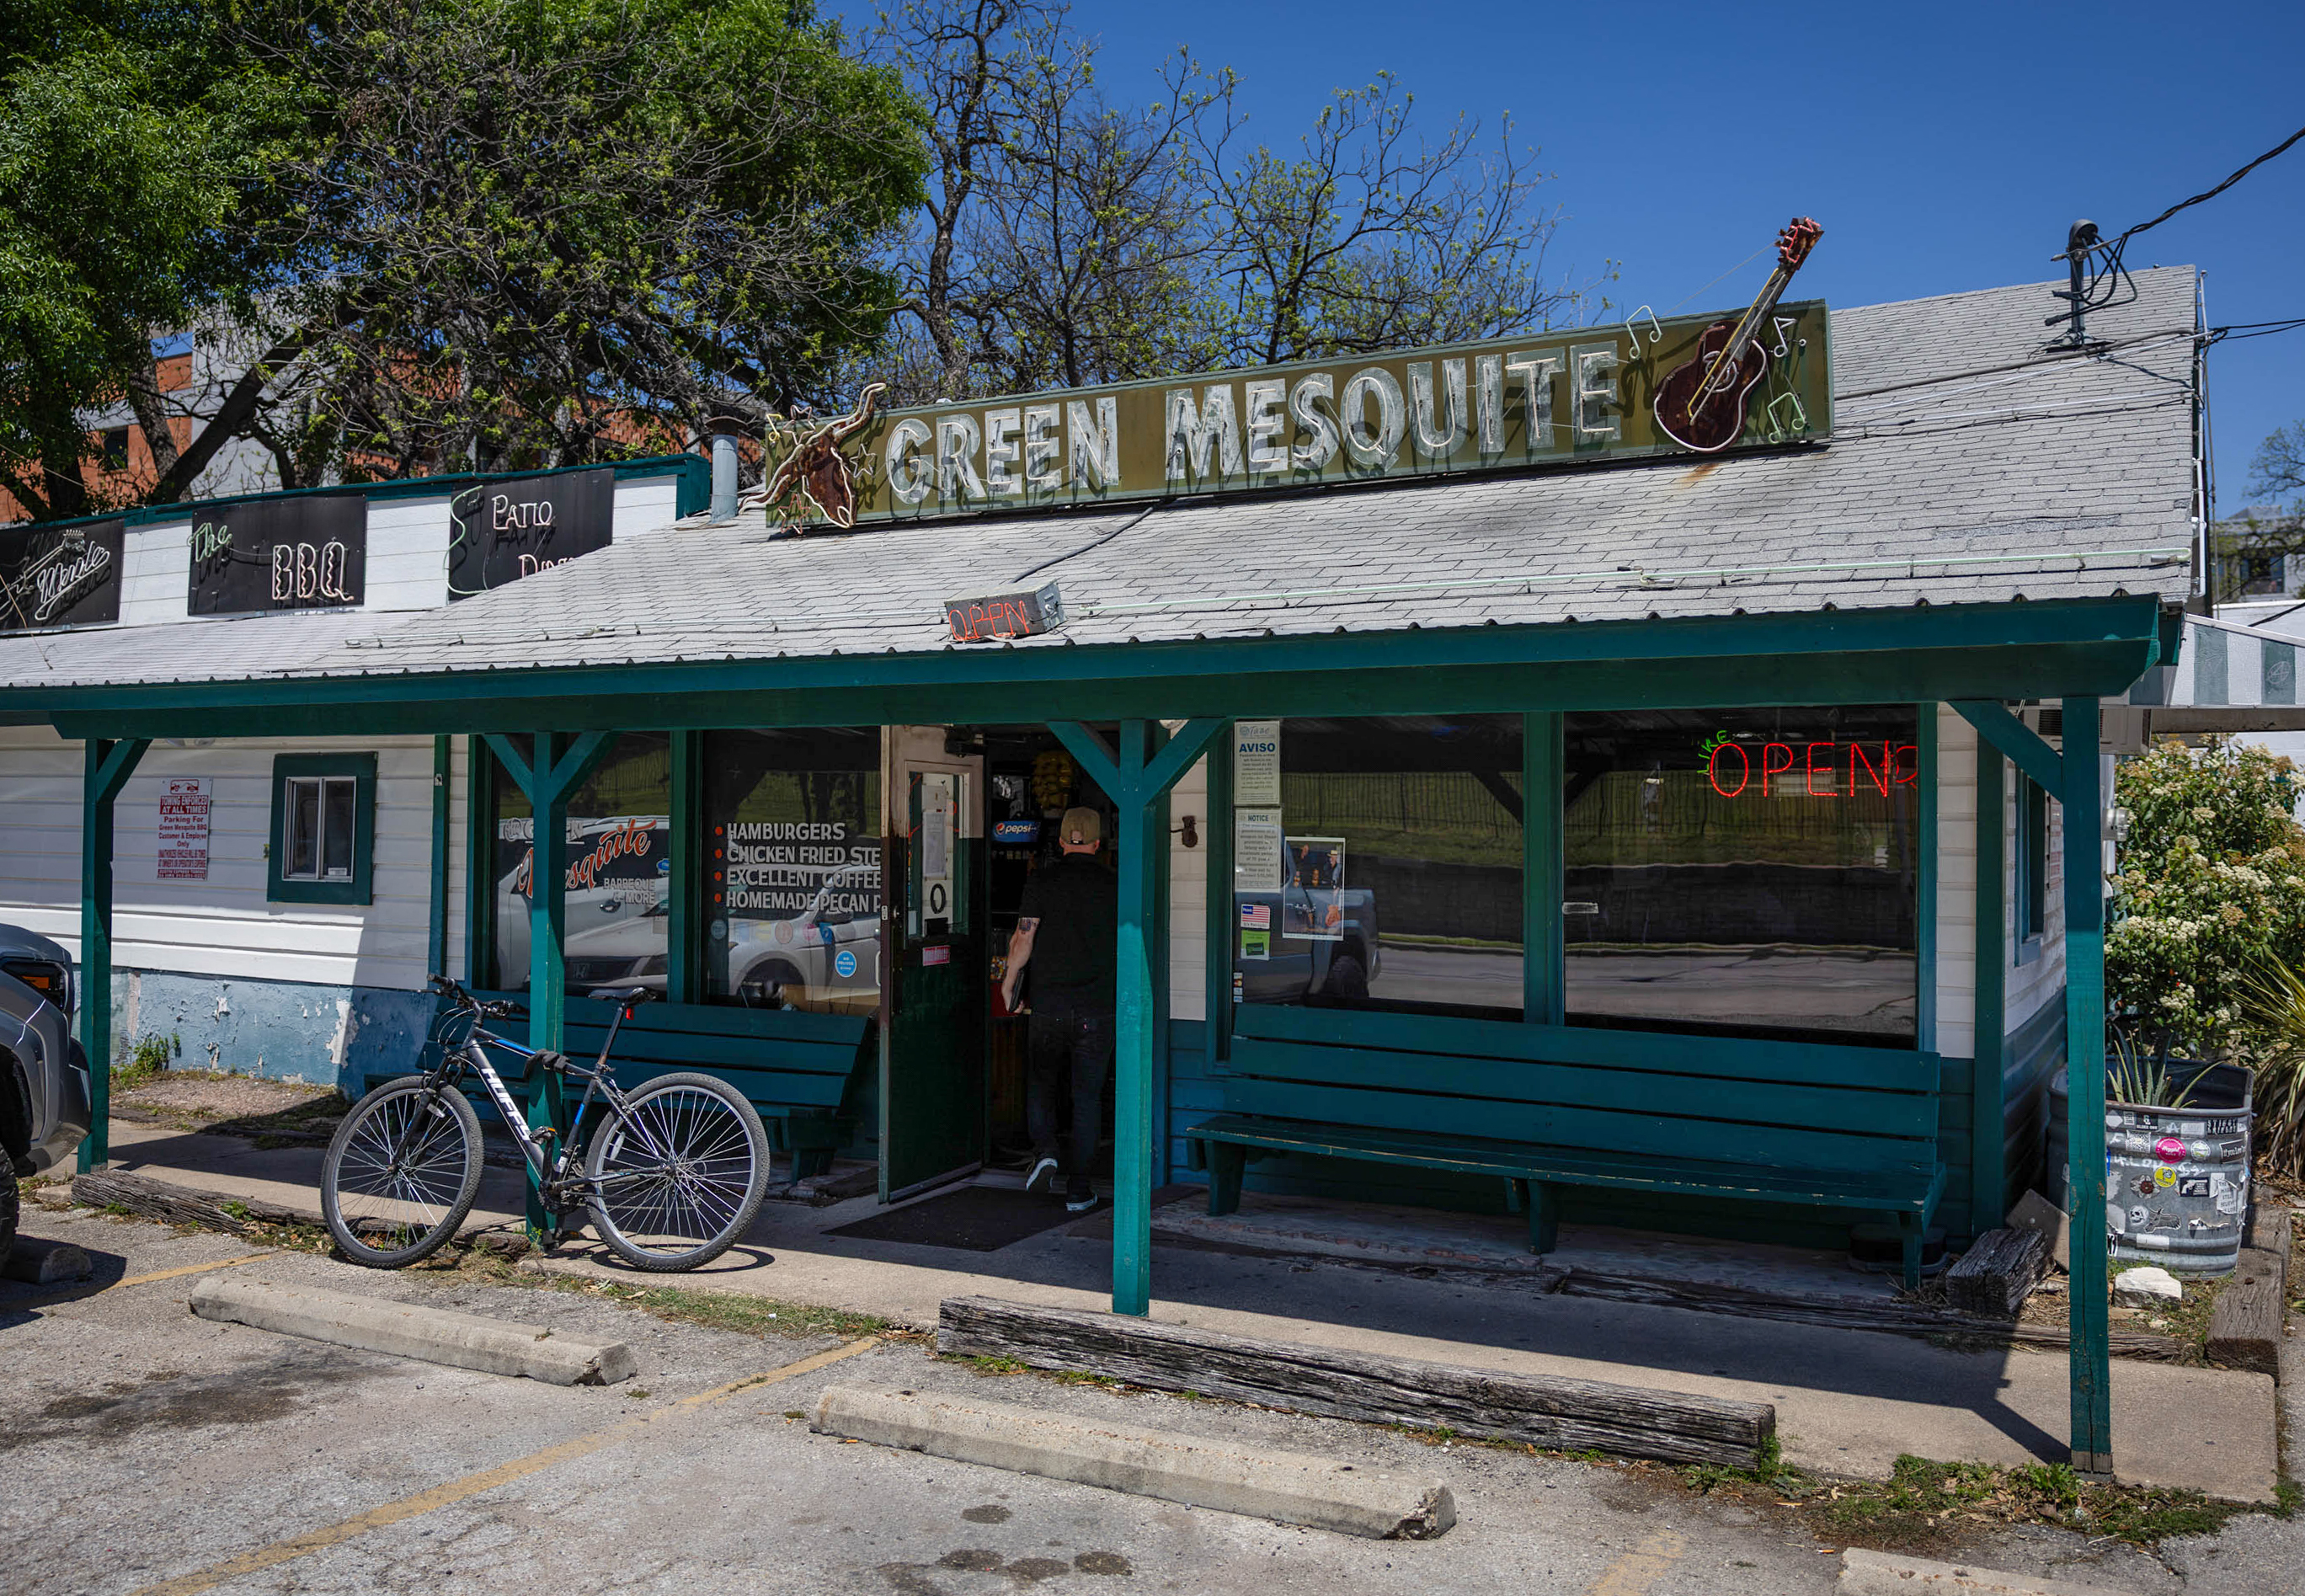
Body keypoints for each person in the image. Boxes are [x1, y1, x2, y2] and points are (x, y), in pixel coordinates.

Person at [999, 806, 1116, 1212]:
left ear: (1063, 841)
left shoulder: (1041, 881)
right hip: (1097, 1010)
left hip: (1048, 1006)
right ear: (1100, 843)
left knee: (1042, 1084)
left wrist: (1009, 982)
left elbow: (1023, 938)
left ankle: (1046, 1150)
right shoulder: (1114, 885)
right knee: (1086, 1099)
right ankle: (1080, 1191)